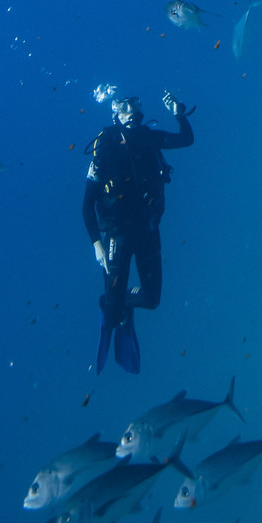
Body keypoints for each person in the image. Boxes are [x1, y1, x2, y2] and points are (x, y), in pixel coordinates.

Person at [83, 86, 195, 375]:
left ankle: (120, 303)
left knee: (152, 299)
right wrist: (97, 244)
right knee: (111, 313)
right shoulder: (104, 148)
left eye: (133, 105)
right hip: (117, 235)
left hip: (147, 231)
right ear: (115, 114)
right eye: (123, 107)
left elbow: (186, 139)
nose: (130, 111)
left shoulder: (149, 139)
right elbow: (86, 205)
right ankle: (112, 306)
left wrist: (179, 115)